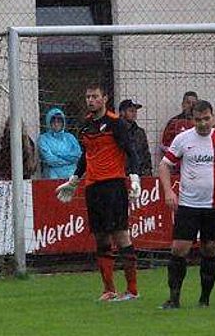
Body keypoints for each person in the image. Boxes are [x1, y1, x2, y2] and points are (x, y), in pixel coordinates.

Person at [55, 83, 142, 301]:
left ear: (105, 99)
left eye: (95, 96)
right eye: (88, 97)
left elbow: (131, 152)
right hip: (92, 187)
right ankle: (109, 289)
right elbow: (85, 156)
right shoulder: (85, 126)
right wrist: (74, 179)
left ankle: (132, 290)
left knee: (121, 234)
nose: (91, 100)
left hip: (113, 185)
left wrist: (134, 177)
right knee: (101, 237)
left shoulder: (116, 123)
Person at [158, 100, 215, 309]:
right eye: (198, 120)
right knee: (179, 249)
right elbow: (164, 165)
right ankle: (174, 298)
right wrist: (168, 191)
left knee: (210, 250)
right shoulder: (182, 139)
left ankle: (204, 299)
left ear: (214, 118)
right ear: (192, 120)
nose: (202, 124)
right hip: (189, 205)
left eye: (206, 119)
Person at [38, 108, 82, 179]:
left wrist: (58, 154)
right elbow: (50, 160)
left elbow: (78, 155)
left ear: (63, 122)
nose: (56, 124)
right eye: (53, 121)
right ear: (48, 122)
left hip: (72, 174)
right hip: (52, 175)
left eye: (59, 121)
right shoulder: (43, 139)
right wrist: (69, 161)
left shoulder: (70, 137)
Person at [119, 99, 153, 176]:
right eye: (131, 111)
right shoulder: (116, 130)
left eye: (135, 111)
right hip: (121, 173)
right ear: (122, 112)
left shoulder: (140, 132)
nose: (134, 114)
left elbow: (146, 154)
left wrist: (148, 171)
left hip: (139, 173)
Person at [160, 91, 199, 157]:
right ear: (183, 104)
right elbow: (165, 145)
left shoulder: (200, 122)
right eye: (188, 103)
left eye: (194, 103)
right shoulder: (174, 122)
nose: (191, 105)